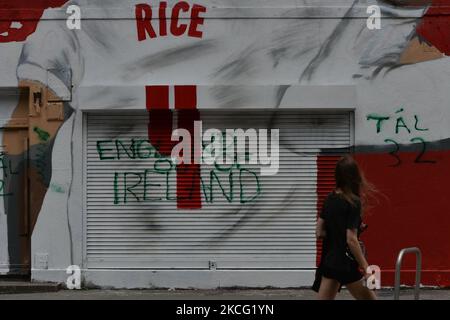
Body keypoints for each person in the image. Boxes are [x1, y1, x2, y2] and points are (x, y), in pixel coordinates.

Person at [313, 155, 377, 300]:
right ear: (355, 176)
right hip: (345, 264)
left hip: (330, 261)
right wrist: (367, 268)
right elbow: (351, 240)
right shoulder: (353, 202)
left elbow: (319, 231)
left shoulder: (330, 198)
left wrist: (336, 229)